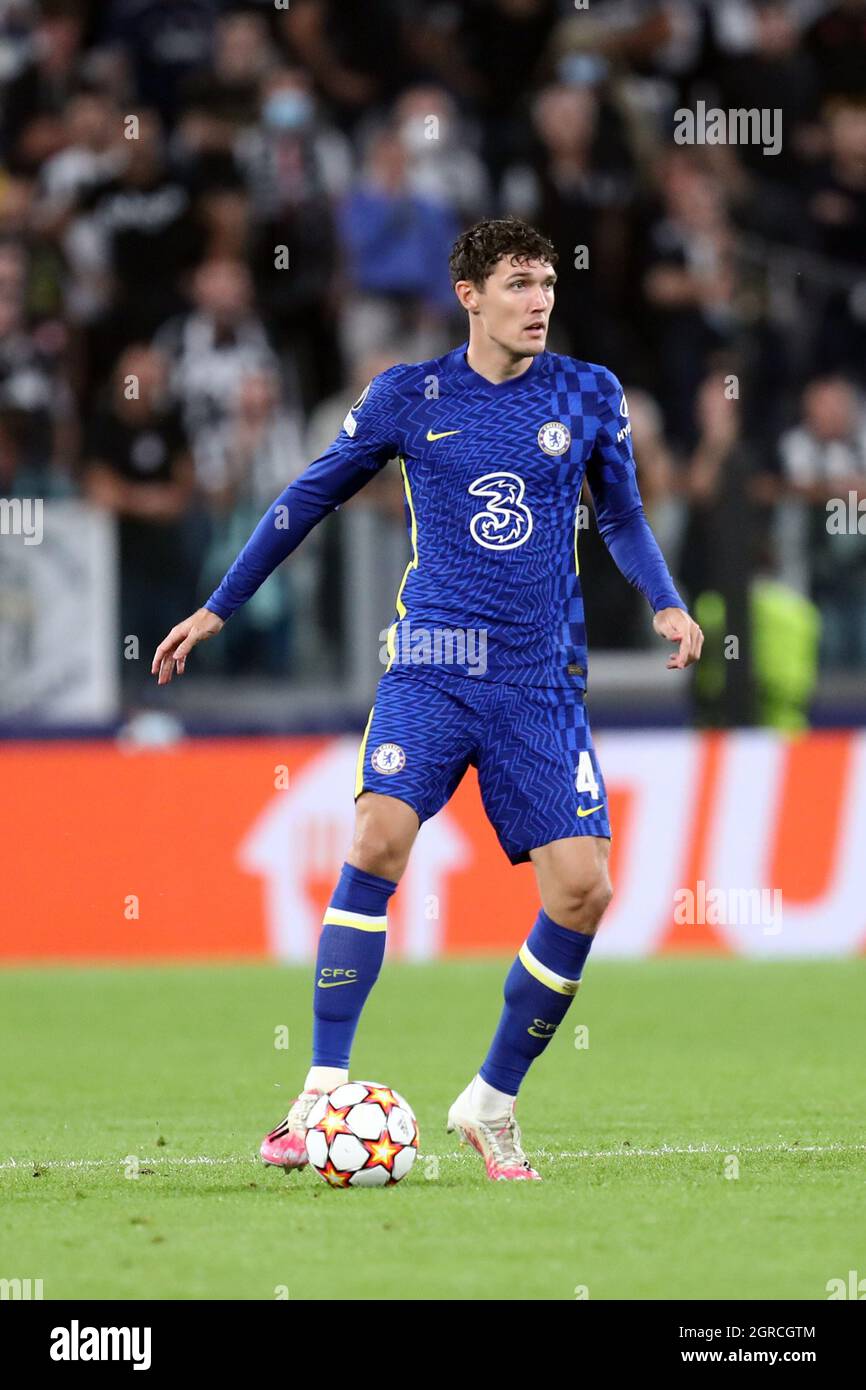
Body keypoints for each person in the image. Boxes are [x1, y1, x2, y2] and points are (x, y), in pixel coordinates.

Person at [151, 217, 702, 1182]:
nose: (540, 302)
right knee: (376, 840)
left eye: (548, 284)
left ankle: (491, 1101)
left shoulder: (589, 392)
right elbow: (307, 496)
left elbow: (620, 512)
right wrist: (218, 606)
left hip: (541, 682)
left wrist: (664, 600)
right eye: (521, 285)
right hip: (433, 667)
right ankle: (318, 1094)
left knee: (584, 890)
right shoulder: (409, 395)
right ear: (471, 295)